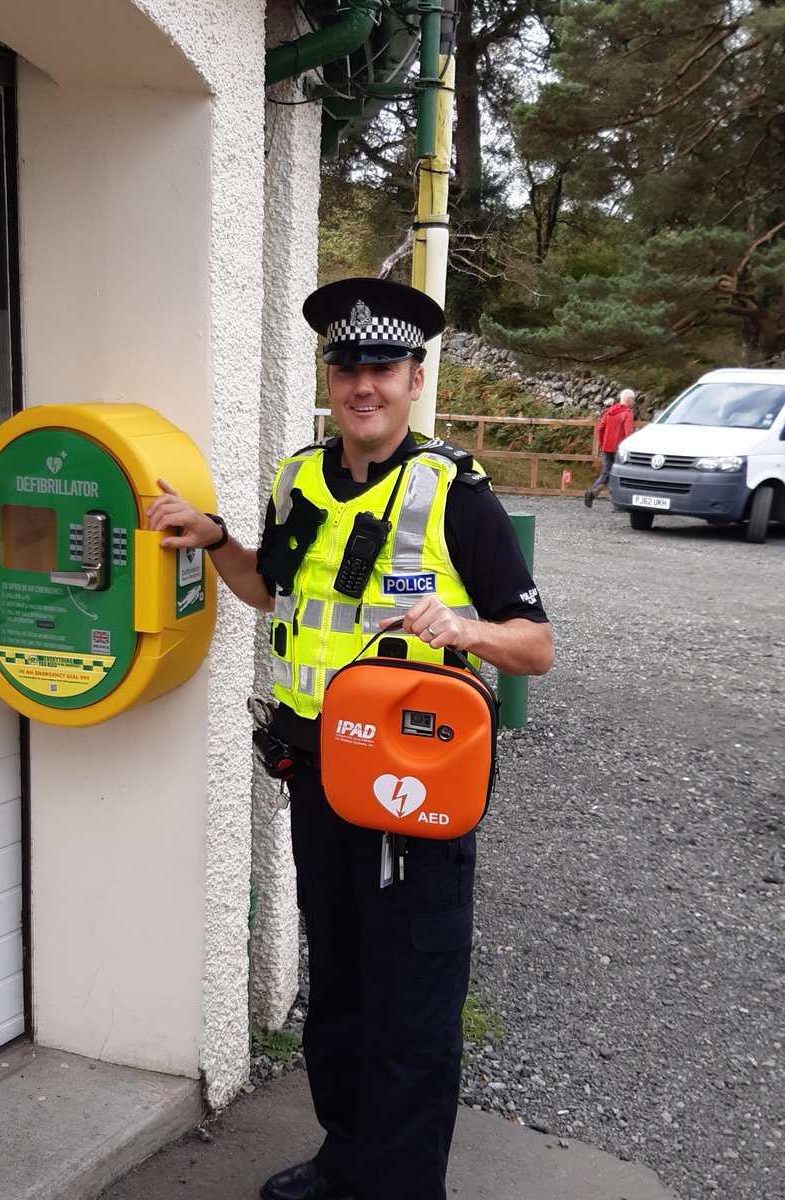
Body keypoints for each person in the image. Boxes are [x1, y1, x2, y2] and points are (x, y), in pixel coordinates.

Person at [146, 278, 554, 1200]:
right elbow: (269, 591)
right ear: (328, 379)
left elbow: (536, 647)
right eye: (346, 367)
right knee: (336, 985)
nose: (361, 384)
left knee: (411, 1000)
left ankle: (402, 1188)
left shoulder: (453, 493)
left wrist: (466, 628)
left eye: (382, 367)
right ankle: (346, 1159)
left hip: (414, 790)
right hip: (318, 777)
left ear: (414, 380)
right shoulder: (298, 480)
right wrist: (214, 537)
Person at [584, 388, 636, 507]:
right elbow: (628, 433)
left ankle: (592, 492)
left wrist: (603, 443)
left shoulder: (609, 411)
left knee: (607, 474)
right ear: (629, 400)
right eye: (633, 400)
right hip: (620, 449)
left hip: (607, 447)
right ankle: (617, 503)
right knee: (621, 474)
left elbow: (600, 428)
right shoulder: (627, 413)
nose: (634, 403)